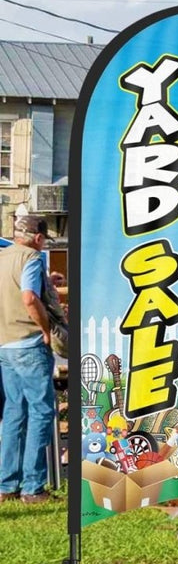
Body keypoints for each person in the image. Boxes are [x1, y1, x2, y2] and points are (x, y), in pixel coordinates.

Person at [0, 215, 56, 504]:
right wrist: (46, 330)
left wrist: (49, 282)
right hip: (29, 342)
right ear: (38, 238)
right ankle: (33, 487)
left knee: (13, 413)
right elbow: (28, 297)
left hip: (5, 345)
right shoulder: (32, 258)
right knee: (41, 411)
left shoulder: (3, 256)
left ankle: (6, 485)